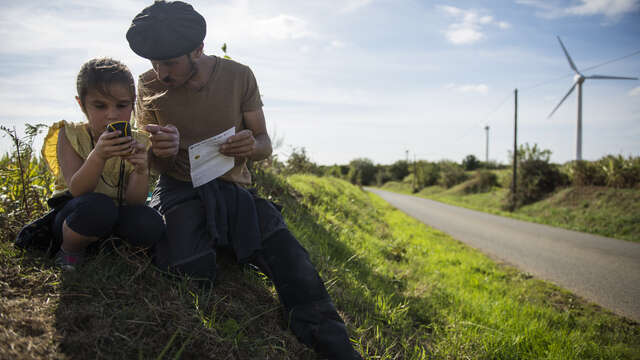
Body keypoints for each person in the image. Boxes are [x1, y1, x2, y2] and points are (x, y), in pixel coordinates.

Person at [126, 1, 363, 359]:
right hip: (179, 188)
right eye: (154, 63)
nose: (160, 73)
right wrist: (161, 149)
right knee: (188, 268)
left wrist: (250, 145)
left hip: (232, 187)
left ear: (198, 49)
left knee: (294, 263)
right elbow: (148, 162)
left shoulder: (239, 77)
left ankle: (333, 347)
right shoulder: (147, 85)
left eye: (169, 63)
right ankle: (216, 241)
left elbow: (264, 143)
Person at [40, 57, 164, 271]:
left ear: (133, 103)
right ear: (82, 104)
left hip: (117, 212)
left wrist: (141, 170)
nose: (112, 114)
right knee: (98, 207)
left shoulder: (140, 141)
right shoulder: (70, 135)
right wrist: (98, 156)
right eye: (100, 106)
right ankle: (70, 250)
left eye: (122, 105)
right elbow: (78, 189)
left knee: (150, 220)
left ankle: (111, 249)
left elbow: (135, 201)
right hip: (75, 214)